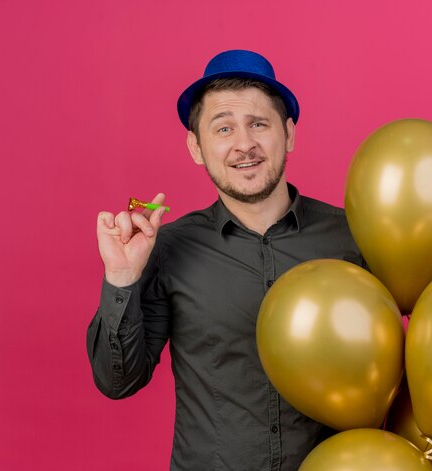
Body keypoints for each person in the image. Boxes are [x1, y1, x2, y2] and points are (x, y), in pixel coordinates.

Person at [87, 49, 366, 470]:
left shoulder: (354, 237)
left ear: (288, 134)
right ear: (196, 147)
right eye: (223, 128)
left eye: (259, 124)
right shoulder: (168, 248)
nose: (244, 144)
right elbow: (117, 382)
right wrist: (122, 276)